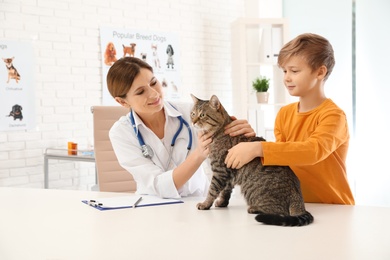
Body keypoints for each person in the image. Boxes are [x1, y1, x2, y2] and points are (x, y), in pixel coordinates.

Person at [225, 33, 355, 205]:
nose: (286, 77)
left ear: (320, 72)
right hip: (297, 207)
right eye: (285, 71)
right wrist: (248, 140)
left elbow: (312, 151)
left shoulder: (333, 116)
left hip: (334, 208)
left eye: (294, 71)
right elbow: (284, 157)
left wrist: (258, 148)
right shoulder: (285, 114)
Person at [107, 57, 255, 199]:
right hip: (152, 207)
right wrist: (198, 155)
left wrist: (244, 141)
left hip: (199, 204)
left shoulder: (192, 114)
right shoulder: (121, 133)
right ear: (122, 102)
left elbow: (228, 157)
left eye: (153, 82)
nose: (154, 93)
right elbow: (159, 185)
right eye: (140, 92)